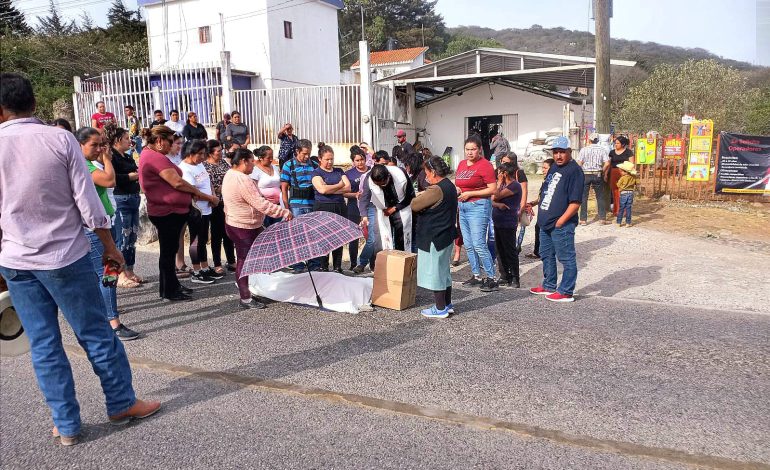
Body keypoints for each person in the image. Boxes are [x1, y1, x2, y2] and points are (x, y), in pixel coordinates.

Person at [0, 73, 160, 445]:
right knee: (95, 332)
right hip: (64, 256)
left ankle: (67, 425)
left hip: (16, 260)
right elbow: (88, 204)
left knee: (43, 343)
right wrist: (110, 246)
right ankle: (121, 404)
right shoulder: (59, 139)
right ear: (35, 104)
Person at [139, 125, 219, 301]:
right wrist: (198, 193)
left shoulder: (153, 155)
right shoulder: (154, 157)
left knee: (170, 250)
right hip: (166, 212)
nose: (172, 146)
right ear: (159, 141)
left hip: (171, 210)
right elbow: (177, 182)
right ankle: (169, 290)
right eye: (170, 142)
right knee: (168, 253)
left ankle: (171, 285)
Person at [76, 127, 139, 341]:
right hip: (94, 228)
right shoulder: (83, 166)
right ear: (80, 145)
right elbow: (110, 181)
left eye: (102, 144)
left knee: (104, 274)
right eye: (94, 145)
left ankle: (104, 318)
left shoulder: (91, 163)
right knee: (108, 274)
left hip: (106, 222)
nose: (99, 149)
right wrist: (106, 158)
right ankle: (113, 323)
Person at [222, 148, 292, 309]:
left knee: (249, 259)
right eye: (252, 161)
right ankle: (245, 297)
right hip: (243, 225)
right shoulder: (241, 179)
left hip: (238, 222)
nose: (254, 164)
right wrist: (282, 211)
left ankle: (250, 290)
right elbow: (259, 203)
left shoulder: (231, 174)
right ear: (244, 161)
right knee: (244, 261)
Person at [528, 136, 584, 302]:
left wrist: (561, 222)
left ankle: (566, 291)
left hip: (561, 224)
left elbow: (575, 203)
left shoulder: (574, 171)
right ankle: (549, 285)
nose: (558, 156)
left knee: (566, 258)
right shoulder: (553, 167)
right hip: (545, 222)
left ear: (569, 152)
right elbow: (547, 192)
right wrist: (534, 203)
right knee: (546, 255)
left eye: (562, 152)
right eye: (556, 152)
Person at [410, 157, 458, 319]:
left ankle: (440, 308)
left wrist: (422, 194)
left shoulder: (436, 189)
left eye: (427, 172)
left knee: (435, 272)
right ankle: (447, 304)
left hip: (434, 236)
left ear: (434, 172)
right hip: (446, 235)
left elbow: (415, 205)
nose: (425, 176)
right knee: (444, 271)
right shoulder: (450, 185)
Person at [456, 134, 497, 292]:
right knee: (468, 243)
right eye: (467, 149)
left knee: (479, 243)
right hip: (463, 206)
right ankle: (476, 275)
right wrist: (459, 189)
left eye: (473, 149)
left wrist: (471, 194)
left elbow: (492, 189)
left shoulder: (485, 165)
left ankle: (491, 277)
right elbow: (460, 183)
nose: (470, 152)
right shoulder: (461, 164)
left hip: (478, 206)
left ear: (480, 150)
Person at [105, 124, 143, 288]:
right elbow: (113, 178)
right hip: (121, 200)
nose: (130, 141)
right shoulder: (110, 158)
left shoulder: (127, 156)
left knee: (131, 238)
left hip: (133, 197)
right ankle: (116, 277)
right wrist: (131, 176)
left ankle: (129, 271)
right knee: (120, 239)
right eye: (126, 138)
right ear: (117, 140)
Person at [179, 140, 221, 284]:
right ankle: (196, 271)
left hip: (207, 207)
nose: (203, 157)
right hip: (196, 209)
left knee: (203, 239)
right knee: (196, 240)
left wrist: (213, 196)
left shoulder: (198, 164)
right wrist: (211, 198)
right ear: (191, 154)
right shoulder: (185, 169)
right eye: (200, 154)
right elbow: (193, 192)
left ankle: (204, 266)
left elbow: (207, 181)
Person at [311, 145, 351, 273]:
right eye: (327, 159)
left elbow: (348, 187)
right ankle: (323, 266)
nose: (330, 162)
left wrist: (330, 189)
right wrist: (339, 185)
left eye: (332, 159)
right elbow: (322, 189)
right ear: (320, 159)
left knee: (339, 237)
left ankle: (337, 266)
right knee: (324, 237)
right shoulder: (316, 173)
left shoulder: (339, 171)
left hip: (339, 207)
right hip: (323, 207)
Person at [358, 164, 415, 253]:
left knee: (402, 240)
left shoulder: (400, 174)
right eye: (378, 185)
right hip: (382, 210)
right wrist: (364, 215)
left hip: (401, 207)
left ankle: (402, 264)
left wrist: (394, 208)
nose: (381, 186)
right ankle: (382, 264)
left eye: (383, 184)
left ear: (388, 176)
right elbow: (364, 198)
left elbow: (410, 196)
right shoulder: (369, 178)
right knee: (380, 241)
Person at [204, 139, 236, 274]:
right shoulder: (205, 166)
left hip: (228, 202)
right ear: (210, 153)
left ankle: (231, 260)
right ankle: (217, 262)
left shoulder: (223, 162)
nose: (221, 153)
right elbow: (207, 186)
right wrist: (219, 189)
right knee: (217, 234)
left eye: (221, 150)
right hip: (215, 203)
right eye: (218, 151)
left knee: (228, 232)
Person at [491, 163, 523, 288]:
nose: (498, 174)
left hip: (508, 223)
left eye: (500, 172)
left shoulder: (515, 185)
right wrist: (498, 205)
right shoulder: (502, 185)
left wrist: (498, 183)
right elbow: (491, 200)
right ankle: (504, 275)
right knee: (499, 250)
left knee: (510, 251)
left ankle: (515, 277)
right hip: (498, 221)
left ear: (504, 173)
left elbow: (496, 195)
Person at [498, 152, 529, 251]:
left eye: (506, 162)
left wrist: (522, 208)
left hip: (515, 207)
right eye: (502, 161)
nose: (503, 164)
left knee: (514, 232)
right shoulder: (500, 172)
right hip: (502, 207)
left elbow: (524, 191)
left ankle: (515, 249)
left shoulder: (519, 173)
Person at [576, 132, 609, 225]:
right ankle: (602, 219)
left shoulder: (584, 150)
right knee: (600, 197)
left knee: (584, 197)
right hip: (597, 174)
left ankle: (583, 219)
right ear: (598, 140)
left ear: (589, 140)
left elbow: (579, 163)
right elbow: (607, 163)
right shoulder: (602, 150)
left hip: (585, 174)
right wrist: (602, 170)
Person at [344, 147, 369, 271]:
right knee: (353, 237)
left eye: (362, 159)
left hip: (369, 207)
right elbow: (343, 193)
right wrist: (355, 195)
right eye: (357, 160)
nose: (360, 162)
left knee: (370, 236)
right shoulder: (348, 174)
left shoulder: (371, 171)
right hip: (353, 207)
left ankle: (372, 262)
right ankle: (353, 263)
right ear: (353, 161)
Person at [525, 158, 554, 259]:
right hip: (543, 212)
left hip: (549, 212)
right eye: (543, 168)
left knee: (543, 230)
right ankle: (538, 251)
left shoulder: (554, 182)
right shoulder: (546, 181)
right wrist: (532, 203)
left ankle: (541, 252)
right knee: (539, 228)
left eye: (545, 168)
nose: (543, 170)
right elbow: (541, 198)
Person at [251, 145, 283, 228]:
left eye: (272, 157)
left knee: (277, 228)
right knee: (266, 229)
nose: (271, 160)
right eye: (268, 158)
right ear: (261, 158)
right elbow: (253, 188)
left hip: (277, 205)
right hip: (264, 207)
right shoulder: (255, 170)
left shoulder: (275, 168)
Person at [607, 135, 634, 217]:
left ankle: (624, 211)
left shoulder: (628, 152)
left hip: (624, 174)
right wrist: (606, 174)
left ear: (622, 144)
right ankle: (616, 211)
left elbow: (631, 164)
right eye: (615, 143)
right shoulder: (611, 152)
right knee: (615, 192)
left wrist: (629, 174)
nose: (616, 144)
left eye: (618, 143)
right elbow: (609, 164)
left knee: (623, 192)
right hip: (614, 172)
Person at [615, 161, 638, 227]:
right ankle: (628, 223)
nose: (621, 172)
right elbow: (636, 183)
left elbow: (618, 185)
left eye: (621, 171)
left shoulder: (622, 178)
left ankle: (619, 222)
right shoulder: (633, 177)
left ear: (624, 171)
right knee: (628, 208)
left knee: (621, 208)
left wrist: (618, 183)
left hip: (623, 193)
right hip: (630, 193)